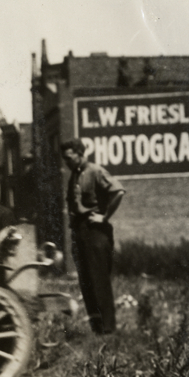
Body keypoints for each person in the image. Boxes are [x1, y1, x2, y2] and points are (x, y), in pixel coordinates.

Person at [61, 138, 126, 334]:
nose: (67, 162)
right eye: (64, 159)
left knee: (99, 281)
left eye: (70, 158)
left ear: (80, 154)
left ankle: (108, 329)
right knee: (86, 281)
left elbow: (119, 192)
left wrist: (104, 217)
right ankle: (97, 329)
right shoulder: (74, 175)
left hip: (96, 232)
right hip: (80, 231)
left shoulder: (96, 171)